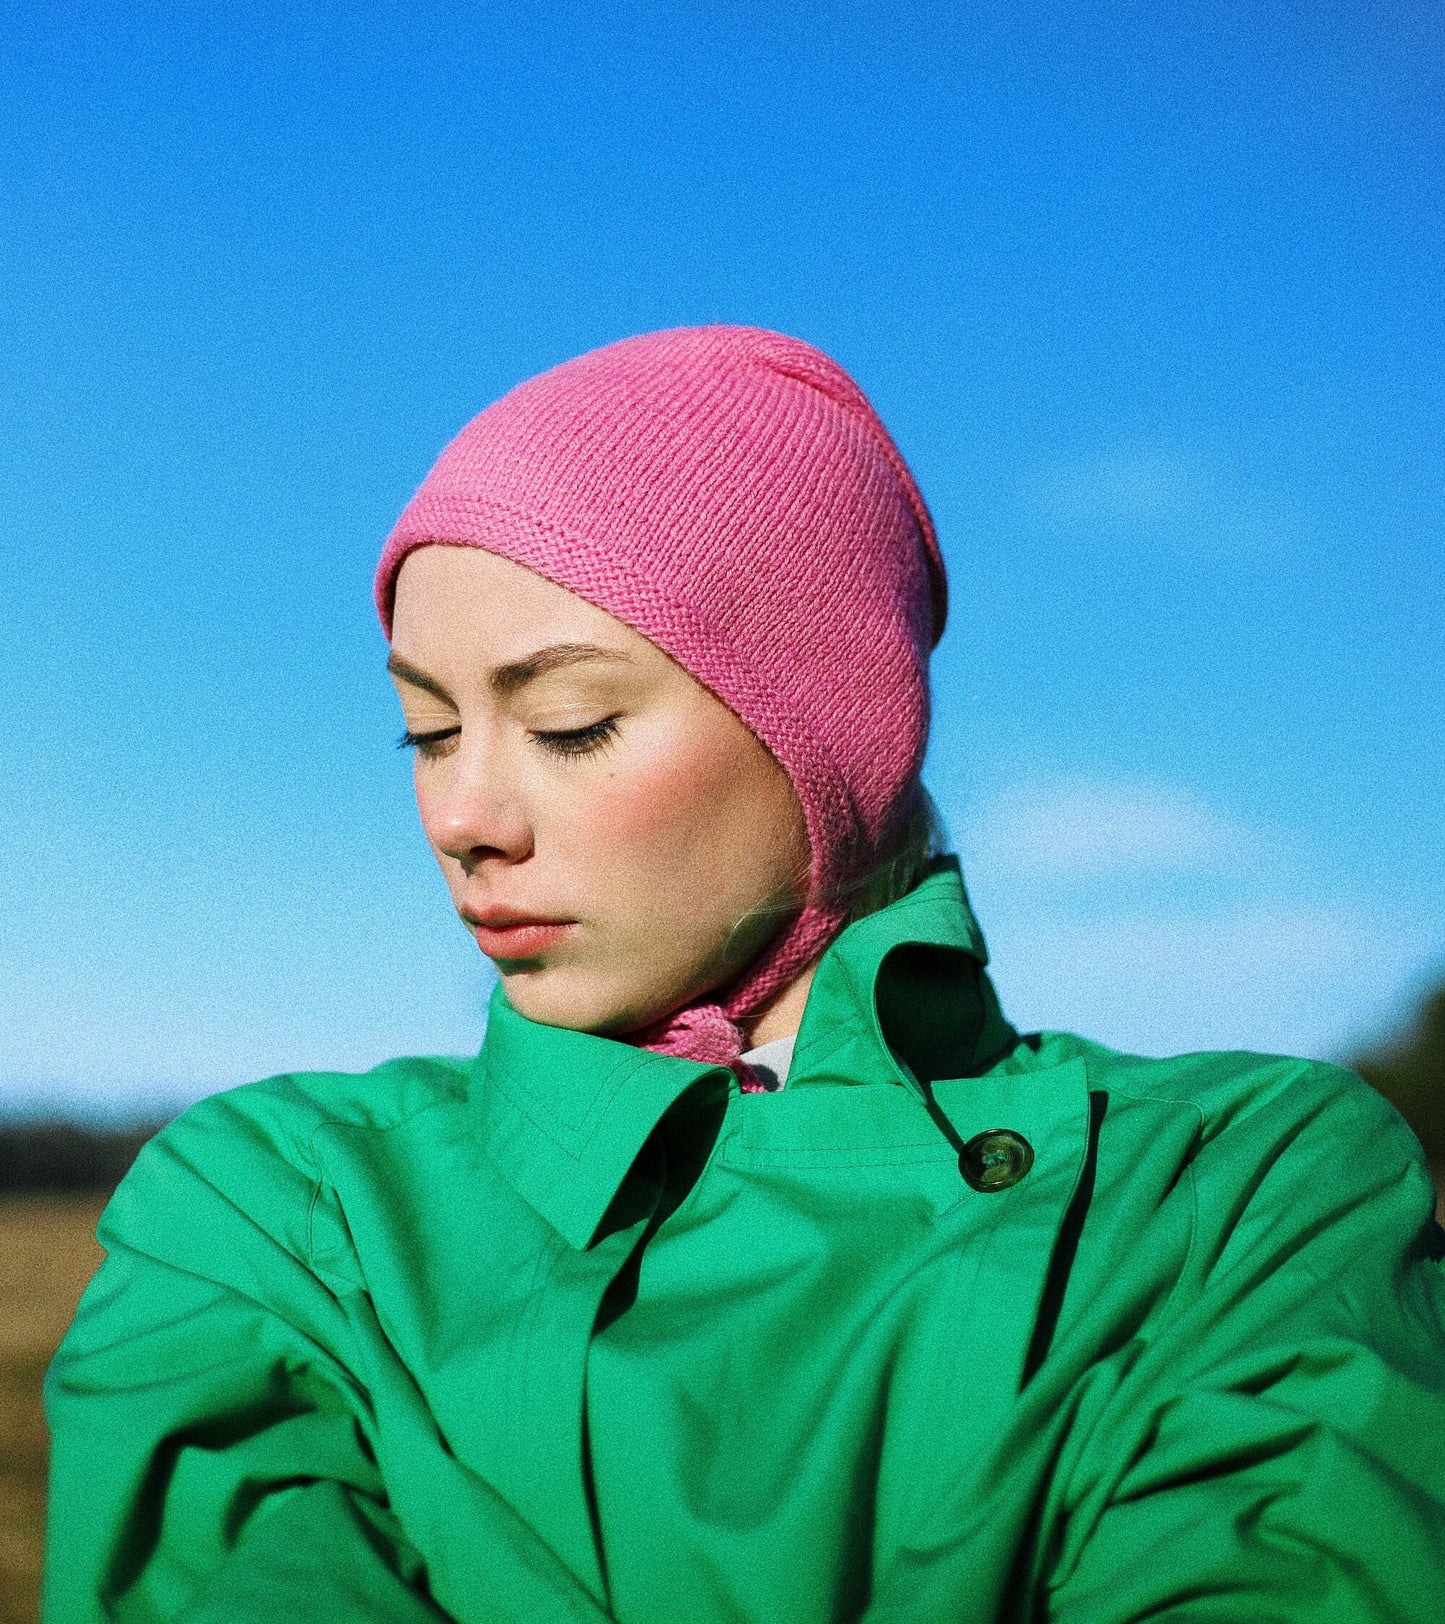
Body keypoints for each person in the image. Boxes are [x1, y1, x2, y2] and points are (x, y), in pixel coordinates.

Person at [44, 326, 1445, 1623]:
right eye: (425, 732)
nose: (462, 815)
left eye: (569, 724)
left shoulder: (1231, 1195)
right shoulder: (279, 1211)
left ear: (830, 724)